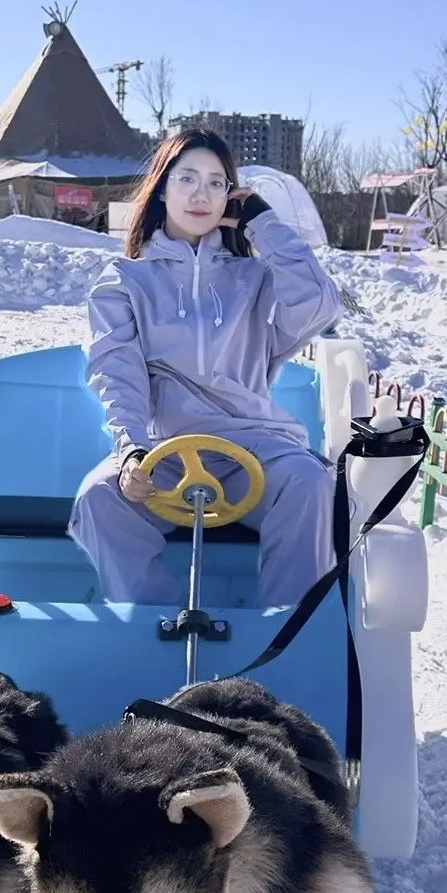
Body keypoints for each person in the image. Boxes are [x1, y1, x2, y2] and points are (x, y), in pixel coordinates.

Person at [70, 128, 342, 608]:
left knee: (311, 483)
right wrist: (133, 450)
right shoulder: (124, 281)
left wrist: (263, 224)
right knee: (99, 499)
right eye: (188, 178)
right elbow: (118, 372)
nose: (201, 194)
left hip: (257, 449)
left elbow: (320, 305)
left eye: (217, 183)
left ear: (231, 197)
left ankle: (284, 636)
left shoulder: (255, 278)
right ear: (162, 187)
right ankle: (155, 629)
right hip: (167, 455)